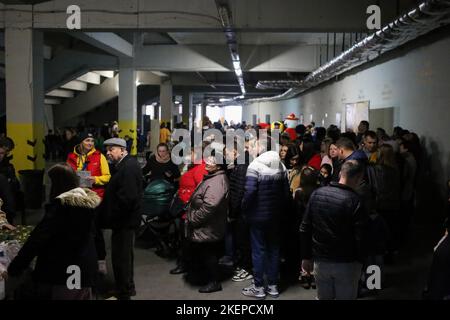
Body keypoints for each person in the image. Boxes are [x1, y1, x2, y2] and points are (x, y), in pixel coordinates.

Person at [7, 163, 100, 300]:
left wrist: (16, 266)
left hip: (67, 272)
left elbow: (38, 239)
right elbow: (96, 237)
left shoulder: (62, 207)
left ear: (58, 184)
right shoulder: (86, 204)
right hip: (84, 269)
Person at [300, 160, 369, 300]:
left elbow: (305, 228)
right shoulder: (355, 201)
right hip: (346, 263)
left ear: (340, 173)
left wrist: (306, 257)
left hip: (320, 261)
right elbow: (360, 237)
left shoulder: (317, 194)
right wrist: (362, 262)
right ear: (358, 178)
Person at [241, 139, 290, 299]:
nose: (252, 148)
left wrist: (244, 209)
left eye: (255, 145)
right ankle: (273, 286)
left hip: (257, 217)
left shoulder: (254, 166)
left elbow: (249, 193)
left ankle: (259, 287)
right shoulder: (281, 166)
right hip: (276, 216)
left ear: (261, 148)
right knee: (274, 250)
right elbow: (285, 194)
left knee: (258, 251)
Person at [99, 138, 143, 300]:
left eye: (112, 149)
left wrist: (114, 216)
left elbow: (128, 198)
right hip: (124, 220)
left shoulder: (128, 168)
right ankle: (126, 287)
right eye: (107, 150)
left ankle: (124, 292)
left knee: (121, 258)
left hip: (124, 221)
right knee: (124, 256)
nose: (108, 153)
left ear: (123, 150)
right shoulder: (124, 165)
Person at [66, 132, 111, 275]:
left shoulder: (99, 156)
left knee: (95, 230)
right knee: (79, 229)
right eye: (87, 140)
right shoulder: (71, 157)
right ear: (81, 142)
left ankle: (101, 260)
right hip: (78, 198)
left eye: (92, 141)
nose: (90, 143)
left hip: (95, 198)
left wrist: (94, 180)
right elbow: (67, 175)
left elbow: (107, 177)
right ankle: (80, 259)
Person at [186, 152, 229, 293]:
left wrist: (194, 219)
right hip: (207, 225)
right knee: (206, 253)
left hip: (209, 226)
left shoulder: (217, 181)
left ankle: (214, 282)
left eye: (212, 161)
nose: (208, 163)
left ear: (218, 166)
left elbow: (209, 206)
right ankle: (209, 278)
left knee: (209, 254)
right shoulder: (213, 177)